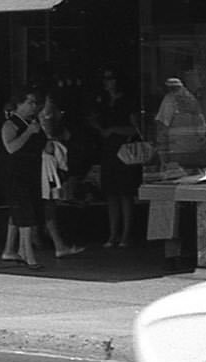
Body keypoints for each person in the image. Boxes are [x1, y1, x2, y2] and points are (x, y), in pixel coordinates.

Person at [94, 69, 145, 248]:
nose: (107, 82)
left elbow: (137, 129)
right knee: (111, 194)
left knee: (125, 194)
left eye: (110, 78)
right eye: (105, 79)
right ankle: (113, 234)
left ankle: (126, 234)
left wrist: (114, 130)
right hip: (108, 150)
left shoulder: (128, 102)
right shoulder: (104, 102)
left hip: (125, 152)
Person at [0, 89, 46, 270]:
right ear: (19, 104)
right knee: (25, 211)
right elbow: (11, 147)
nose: (33, 107)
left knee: (25, 209)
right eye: (29, 103)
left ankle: (12, 249)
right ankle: (28, 254)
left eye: (35, 103)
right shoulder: (10, 124)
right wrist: (28, 133)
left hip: (32, 171)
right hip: (15, 173)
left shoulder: (33, 122)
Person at [37, 93, 85, 258]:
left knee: (45, 204)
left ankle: (37, 240)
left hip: (44, 160)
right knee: (48, 203)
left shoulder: (36, 114)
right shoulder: (45, 112)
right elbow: (50, 132)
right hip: (46, 162)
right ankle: (58, 245)